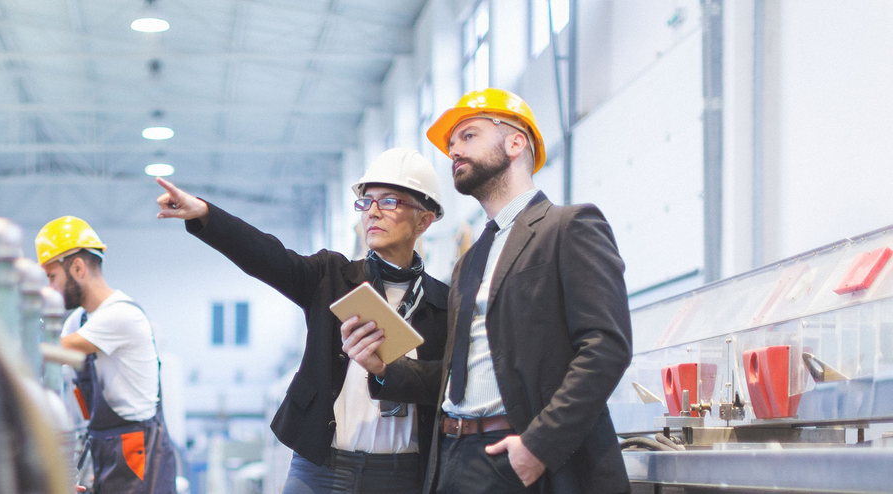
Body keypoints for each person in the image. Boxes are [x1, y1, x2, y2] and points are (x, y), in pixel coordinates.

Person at [342, 88, 633, 494]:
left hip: (520, 454)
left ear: (516, 142)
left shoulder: (568, 228)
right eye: (451, 144)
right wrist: (384, 369)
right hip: (454, 457)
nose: (454, 151)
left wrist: (538, 447)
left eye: (469, 136)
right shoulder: (469, 261)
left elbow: (605, 347)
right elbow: (454, 375)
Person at [155, 148, 449, 494]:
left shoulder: (445, 304)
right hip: (321, 469)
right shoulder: (332, 277)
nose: (372, 212)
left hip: (403, 476)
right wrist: (206, 215)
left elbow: (446, 386)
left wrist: (390, 370)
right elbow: (267, 256)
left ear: (424, 220)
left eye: (388, 202)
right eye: (366, 202)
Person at [36, 216, 177, 494]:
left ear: (77, 267)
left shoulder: (121, 315)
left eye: (52, 277)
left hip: (137, 452)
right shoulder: (78, 321)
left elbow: (54, 351)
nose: (50, 289)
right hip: (105, 445)